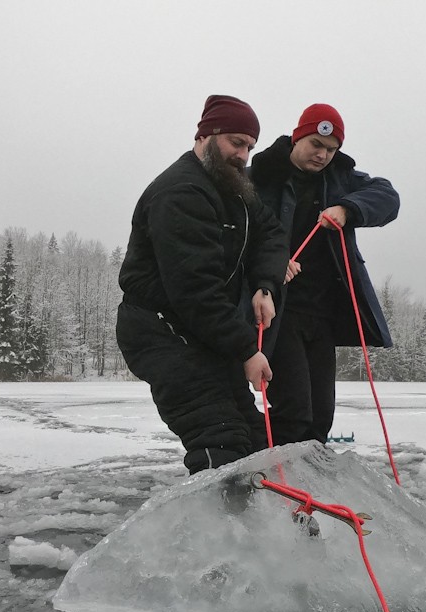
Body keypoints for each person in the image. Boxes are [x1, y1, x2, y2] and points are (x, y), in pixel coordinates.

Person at [116, 95, 288, 475]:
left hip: (203, 331)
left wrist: (265, 285)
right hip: (161, 328)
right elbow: (195, 289)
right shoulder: (180, 193)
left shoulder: (235, 191)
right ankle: (221, 528)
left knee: (256, 438)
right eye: (235, 142)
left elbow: (271, 233)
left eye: (249, 146)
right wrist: (246, 350)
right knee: (219, 435)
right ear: (206, 136)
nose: (243, 154)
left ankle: (267, 524)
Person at [250, 103, 400, 445]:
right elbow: (234, 236)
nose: (322, 155)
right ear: (297, 137)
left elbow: (388, 198)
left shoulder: (342, 181)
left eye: (331, 150)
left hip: (322, 315)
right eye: (315, 145)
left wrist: (349, 208)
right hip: (278, 312)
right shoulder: (260, 177)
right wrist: (268, 265)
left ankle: (306, 487)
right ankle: (248, 466)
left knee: (320, 417)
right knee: (293, 412)